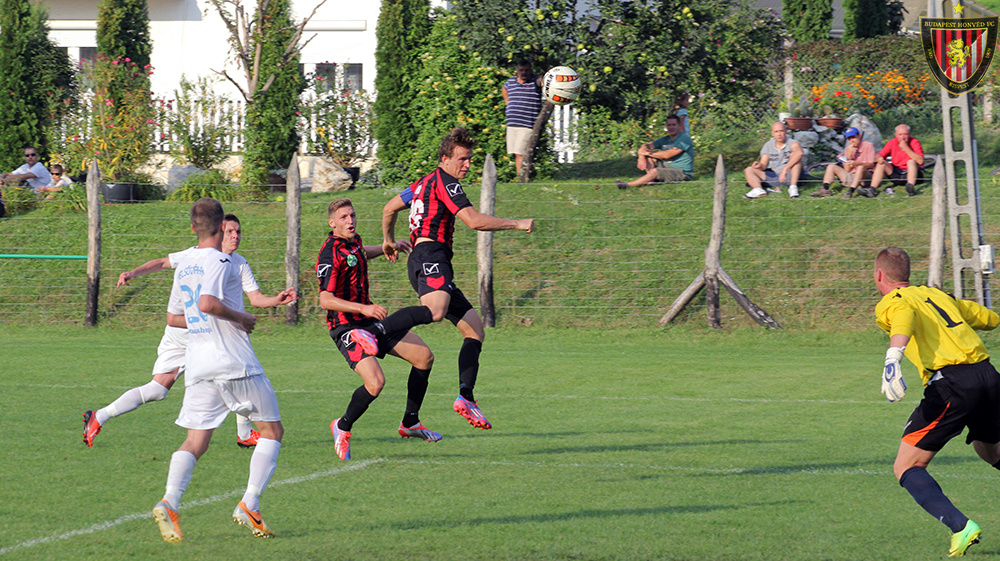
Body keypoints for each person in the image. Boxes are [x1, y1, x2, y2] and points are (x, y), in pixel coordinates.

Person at [83, 214, 297, 448]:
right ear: (218, 231)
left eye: (238, 232)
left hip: (213, 336)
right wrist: (133, 273)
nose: (235, 236)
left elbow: (255, 298)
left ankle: (244, 433)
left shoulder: (239, 263)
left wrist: (276, 299)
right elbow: (163, 262)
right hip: (185, 333)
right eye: (230, 231)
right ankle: (100, 416)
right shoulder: (197, 255)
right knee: (172, 386)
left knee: (227, 373)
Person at [382, 127, 534, 430]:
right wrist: (517, 223)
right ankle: (375, 330)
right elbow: (473, 221)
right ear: (445, 158)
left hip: (429, 258)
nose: (467, 165)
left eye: (469, 160)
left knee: (475, 330)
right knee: (436, 311)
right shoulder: (446, 183)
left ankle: (465, 397)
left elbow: (389, 208)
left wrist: (388, 239)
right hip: (431, 257)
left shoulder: (421, 184)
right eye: (462, 159)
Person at [152, 198, 283, 542]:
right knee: (271, 432)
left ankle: (170, 501)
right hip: (232, 360)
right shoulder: (221, 260)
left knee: (196, 440)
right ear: (220, 225)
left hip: (197, 362)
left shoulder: (184, 265)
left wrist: (204, 322)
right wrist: (242, 318)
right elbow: (207, 302)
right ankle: (249, 503)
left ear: (193, 226)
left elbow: (175, 318)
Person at [873, 246, 1000, 557]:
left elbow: (904, 316)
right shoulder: (937, 295)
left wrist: (893, 358)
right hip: (987, 375)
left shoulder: (893, 301)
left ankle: (961, 527)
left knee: (906, 465)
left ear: (879, 276)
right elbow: (988, 318)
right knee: (990, 449)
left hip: (953, 385)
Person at [319, 198, 441, 461]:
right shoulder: (329, 252)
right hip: (347, 327)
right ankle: (342, 426)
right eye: (343, 217)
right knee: (375, 383)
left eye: (352, 215)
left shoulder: (354, 242)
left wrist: (389, 246)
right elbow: (325, 299)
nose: (350, 220)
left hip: (370, 323)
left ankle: (410, 423)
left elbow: (360, 254)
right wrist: (363, 309)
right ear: (332, 223)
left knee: (424, 357)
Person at [615, 114, 694, 189]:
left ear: (679, 126)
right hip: (666, 167)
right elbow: (645, 146)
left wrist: (645, 153)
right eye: (669, 125)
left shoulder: (684, 140)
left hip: (681, 172)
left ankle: (627, 185)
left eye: (673, 125)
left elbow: (667, 155)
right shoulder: (665, 139)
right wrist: (642, 156)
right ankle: (652, 180)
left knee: (655, 171)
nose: (671, 127)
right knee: (649, 156)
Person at [502, 59, 544, 178]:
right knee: (516, 154)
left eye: (526, 70)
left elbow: (542, 81)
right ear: (517, 71)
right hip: (512, 124)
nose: (524, 73)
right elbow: (504, 88)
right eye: (521, 70)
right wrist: (507, 101)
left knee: (521, 153)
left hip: (527, 125)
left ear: (531, 70)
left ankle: (523, 178)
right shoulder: (511, 82)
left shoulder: (534, 81)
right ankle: (521, 177)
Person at [810, 127, 877, 199]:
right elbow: (847, 169)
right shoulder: (848, 148)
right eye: (849, 139)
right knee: (831, 166)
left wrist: (857, 164)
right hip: (852, 175)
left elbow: (871, 165)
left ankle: (850, 192)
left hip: (865, 176)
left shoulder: (868, 145)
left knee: (860, 168)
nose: (852, 140)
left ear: (859, 136)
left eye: (853, 137)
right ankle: (825, 188)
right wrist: (849, 156)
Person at [743, 122, 803, 199]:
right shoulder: (768, 145)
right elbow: (764, 164)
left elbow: (799, 153)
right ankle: (758, 189)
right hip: (775, 175)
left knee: (796, 160)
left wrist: (785, 169)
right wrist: (759, 165)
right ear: (772, 134)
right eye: (776, 132)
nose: (779, 134)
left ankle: (793, 188)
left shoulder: (793, 143)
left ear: (786, 131)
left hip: (791, 175)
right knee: (749, 170)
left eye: (781, 131)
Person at [868, 124, 924, 197]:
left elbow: (920, 161)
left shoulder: (914, 142)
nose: (903, 137)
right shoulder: (892, 142)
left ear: (909, 134)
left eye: (905, 134)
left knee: (911, 161)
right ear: (896, 135)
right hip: (897, 173)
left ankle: (910, 187)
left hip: (913, 174)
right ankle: (872, 189)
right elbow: (879, 155)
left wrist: (905, 148)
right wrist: (879, 158)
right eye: (900, 134)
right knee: (881, 163)